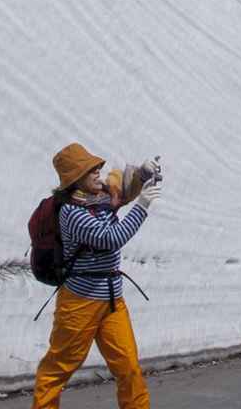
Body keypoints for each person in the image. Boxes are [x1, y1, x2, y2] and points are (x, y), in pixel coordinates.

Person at [34, 142, 160, 409]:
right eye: (90, 169)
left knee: (128, 366)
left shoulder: (102, 196)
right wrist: (143, 206)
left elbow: (123, 186)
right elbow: (111, 238)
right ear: (74, 178)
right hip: (79, 303)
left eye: (96, 167)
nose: (98, 172)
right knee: (58, 368)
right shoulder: (71, 212)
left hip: (113, 300)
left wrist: (144, 173)